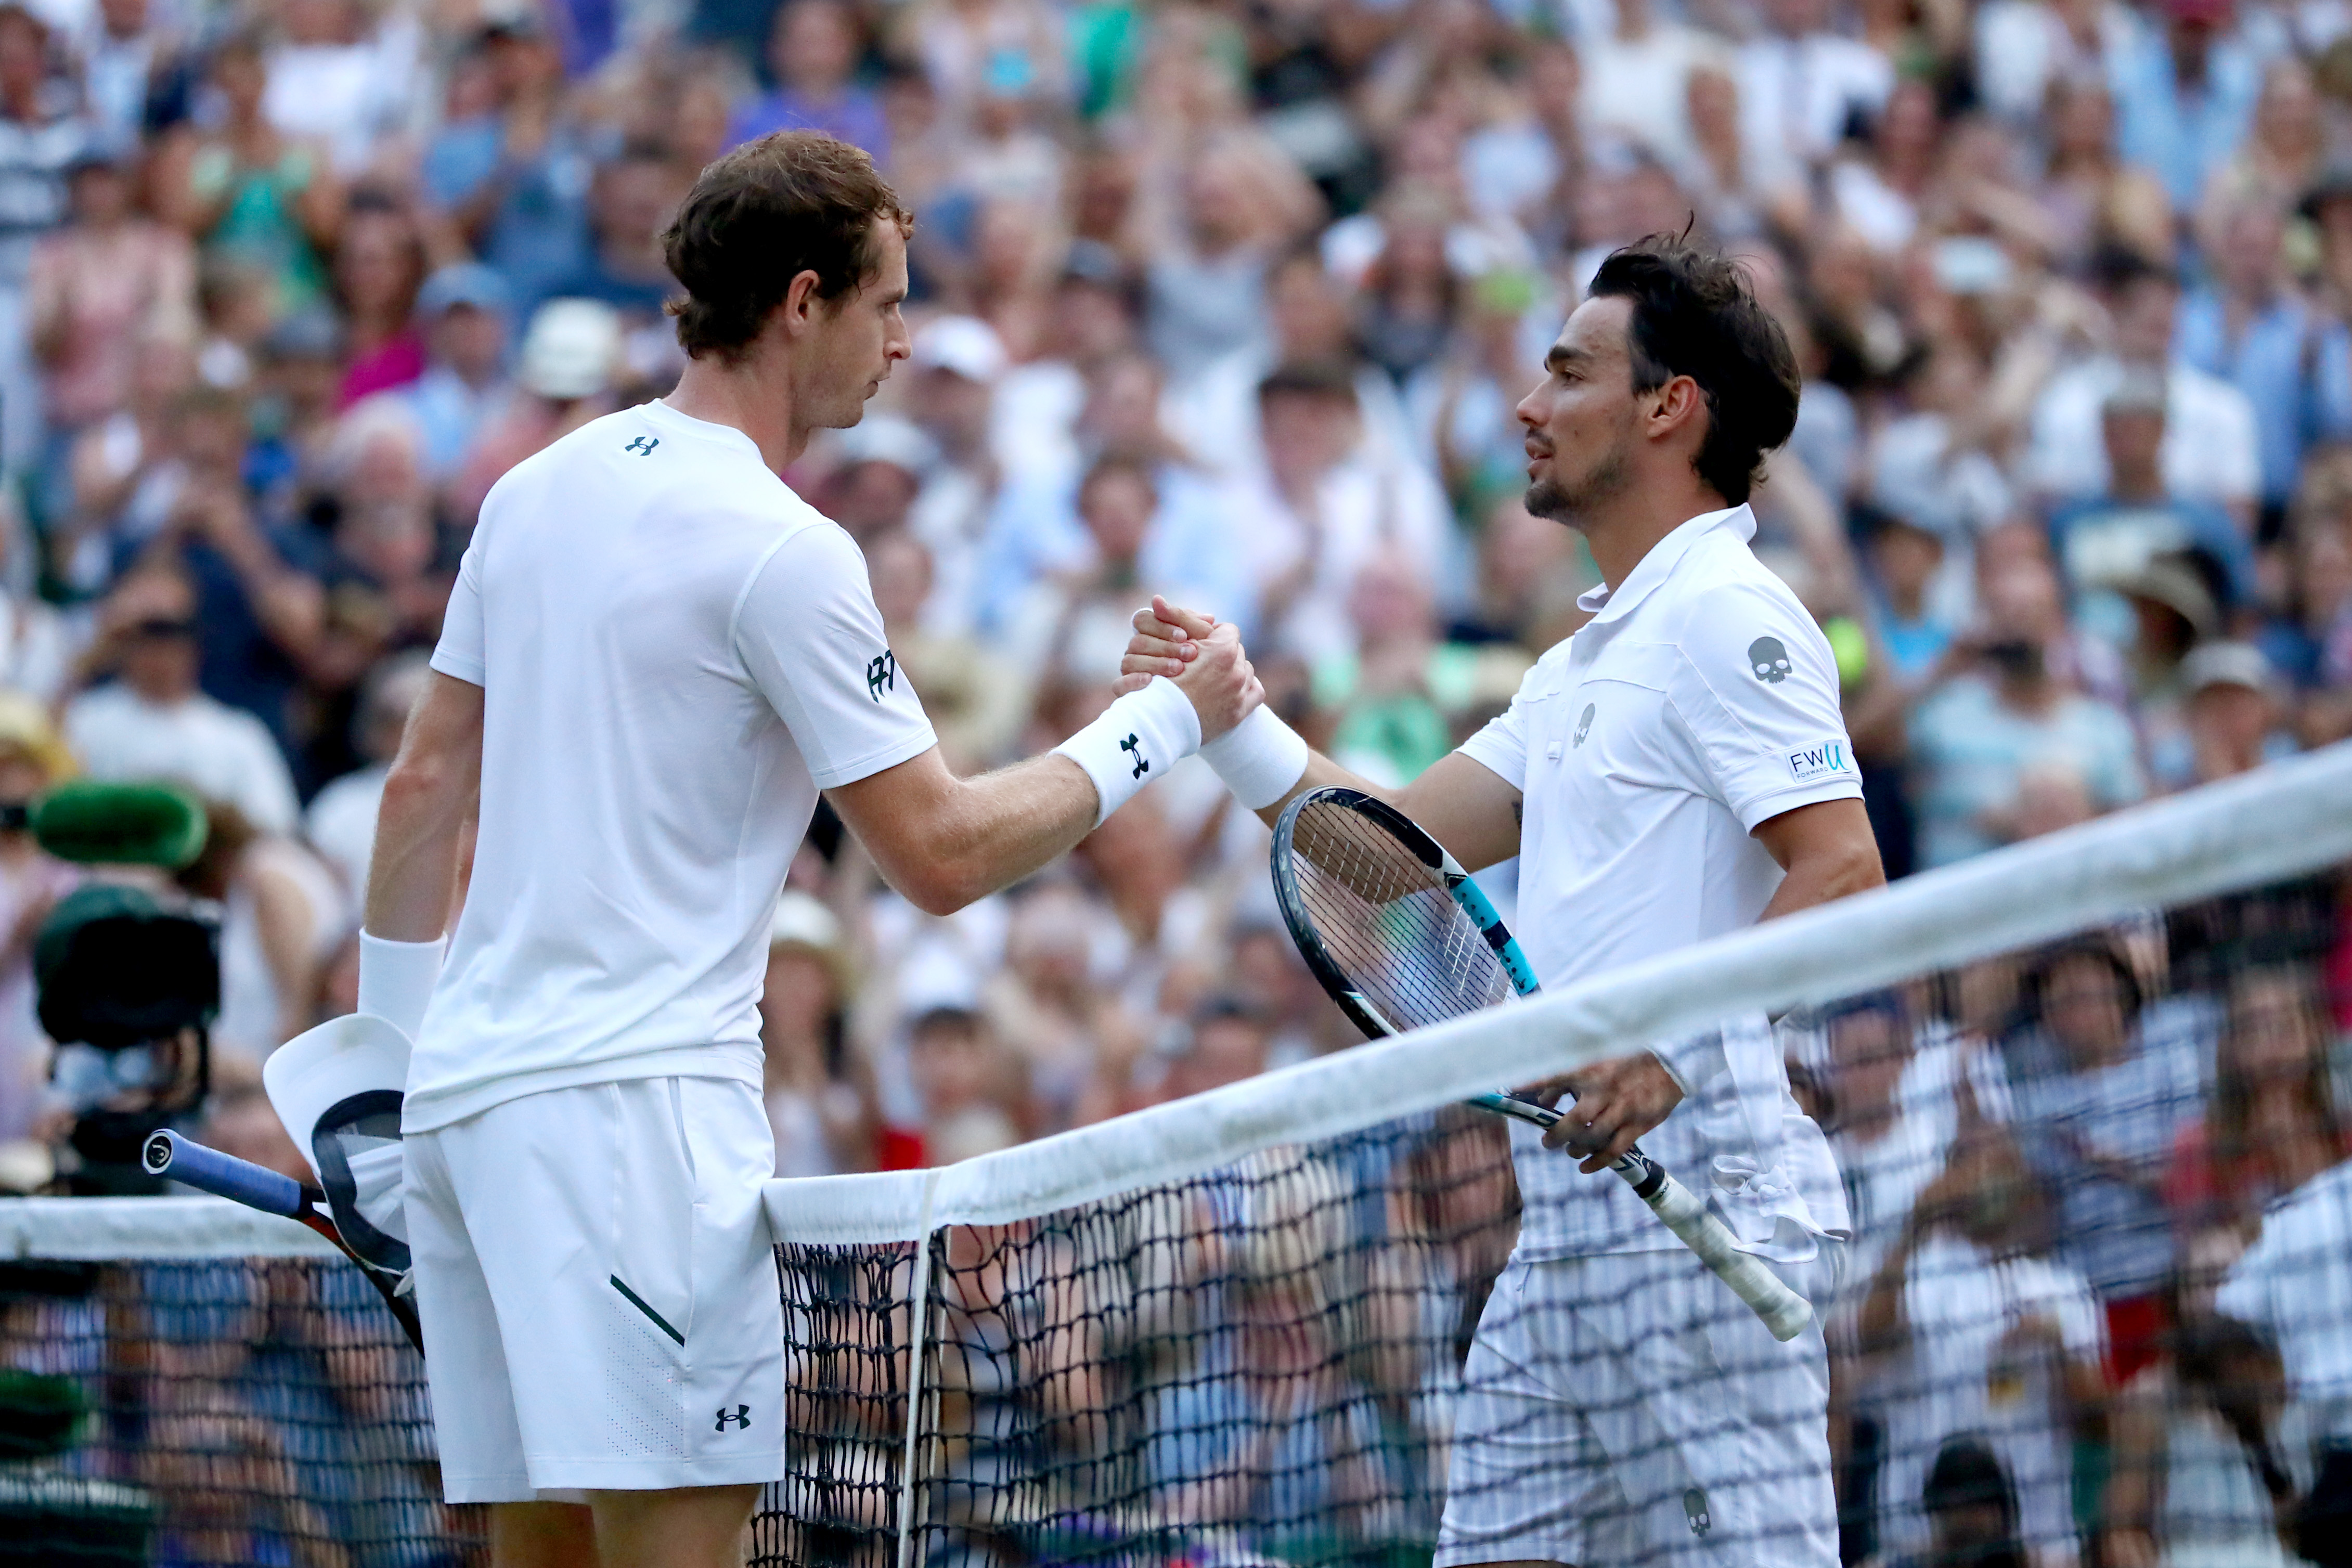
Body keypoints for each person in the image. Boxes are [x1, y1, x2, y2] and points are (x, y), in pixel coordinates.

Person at [360, 130, 1255, 1568]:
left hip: (466, 1111)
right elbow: (943, 855)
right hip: (626, 1125)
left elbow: (419, 791)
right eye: (888, 303)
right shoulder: (788, 550)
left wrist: (381, 1075)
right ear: (800, 302)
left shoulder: (531, 492)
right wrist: (1159, 725)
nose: (900, 343)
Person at [1120, 235, 1883, 1566]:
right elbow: (1383, 851)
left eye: (1566, 371)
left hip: (1703, 1206)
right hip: (1568, 1225)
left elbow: (1843, 867)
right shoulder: (1584, 657)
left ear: (1666, 404)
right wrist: (1223, 718)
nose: (1525, 407)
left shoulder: (1726, 614)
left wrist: (1667, 1046)